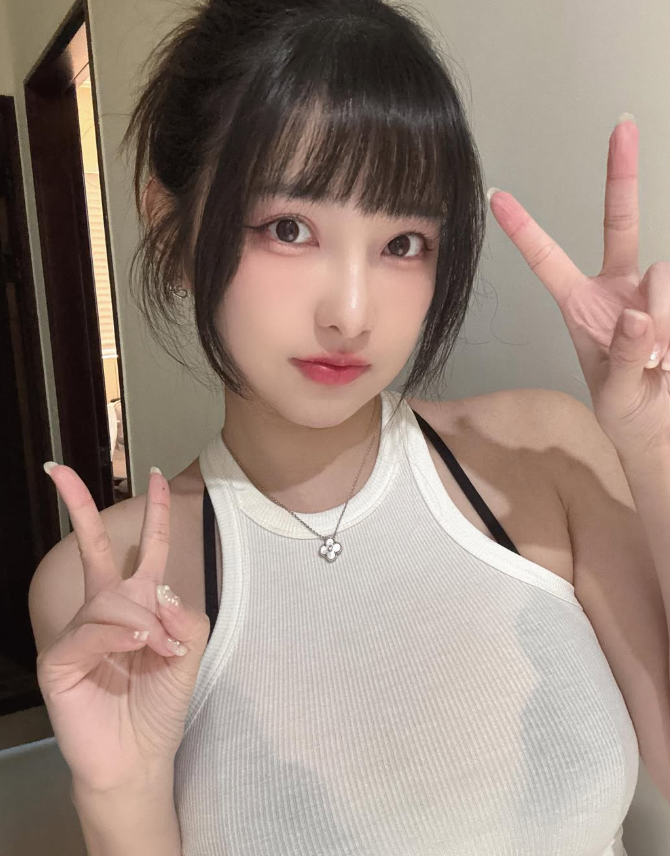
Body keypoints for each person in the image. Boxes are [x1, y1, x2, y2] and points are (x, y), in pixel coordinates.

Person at [27, 1, 670, 855]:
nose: (353, 314)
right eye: (289, 229)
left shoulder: (542, 459)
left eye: (403, 242)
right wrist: (119, 794)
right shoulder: (101, 583)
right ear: (170, 225)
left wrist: (653, 444)